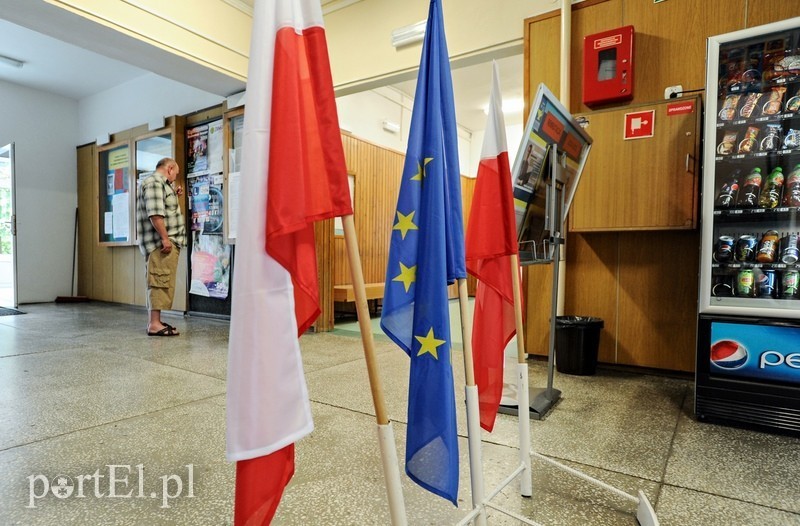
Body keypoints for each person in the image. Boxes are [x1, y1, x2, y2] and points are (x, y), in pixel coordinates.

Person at [136, 157, 186, 336]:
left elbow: (164, 209)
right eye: (175, 175)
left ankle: (155, 320)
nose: (174, 179)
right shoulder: (155, 182)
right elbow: (155, 213)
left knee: (161, 280)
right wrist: (165, 238)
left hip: (164, 242)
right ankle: (154, 324)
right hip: (160, 243)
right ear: (170, 168)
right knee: (159, 280)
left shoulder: (160, 185)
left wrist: (174, 195)